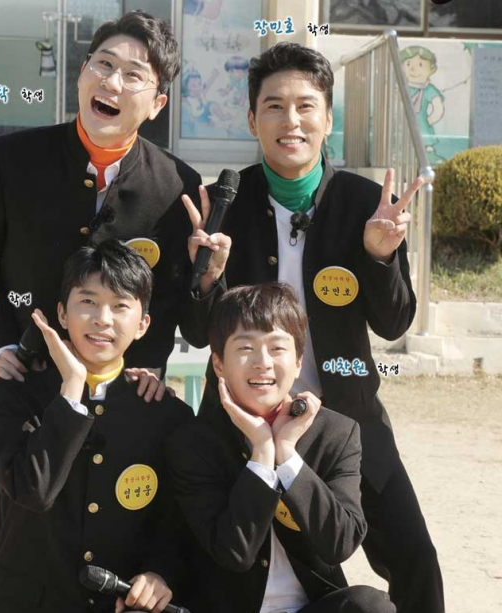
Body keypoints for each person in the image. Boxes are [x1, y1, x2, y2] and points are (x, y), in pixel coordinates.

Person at [0, 10, 201, 600]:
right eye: (102, 65)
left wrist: (152, 359)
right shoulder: (8, 160)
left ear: (157, 103)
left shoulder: (178, 187)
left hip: (121, 405)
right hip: (22, 394)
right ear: (82, 73)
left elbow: (167, 297)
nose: (111, 82)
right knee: (17, 548)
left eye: (133, 75)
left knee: (115, 544)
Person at [182, 42, 444, 613]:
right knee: (237, 569)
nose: (291, 121)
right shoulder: (225, 203)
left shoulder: (365, 202)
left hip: (346, 423)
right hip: (243, 428)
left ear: (328, 119)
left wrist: (378, 257)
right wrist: (208, 278)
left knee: (414, 557)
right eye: (274, 106)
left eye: (306, 106)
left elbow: (395, 321)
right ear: (252, 119)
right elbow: (200, 334)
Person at [0, 240, 193, 613]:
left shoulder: (166, 415)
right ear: (62, 314)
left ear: (143, 325)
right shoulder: (8, 399)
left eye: (120, 306)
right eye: (88, 301)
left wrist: (160, 572)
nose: (102, 319)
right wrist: (72, 392)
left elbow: (176, 523)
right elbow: (33, 491)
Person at [167, 282, 395, 613]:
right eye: (245, 348)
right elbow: (234, 552)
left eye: (277, 348)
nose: (262, 362)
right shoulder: (193, 442)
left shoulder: (336, 433)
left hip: (310, 606)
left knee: (371, 606)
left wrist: (287, 454)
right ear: (218, 364)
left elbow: (340, 542)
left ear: (299, 361)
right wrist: (262, 453)